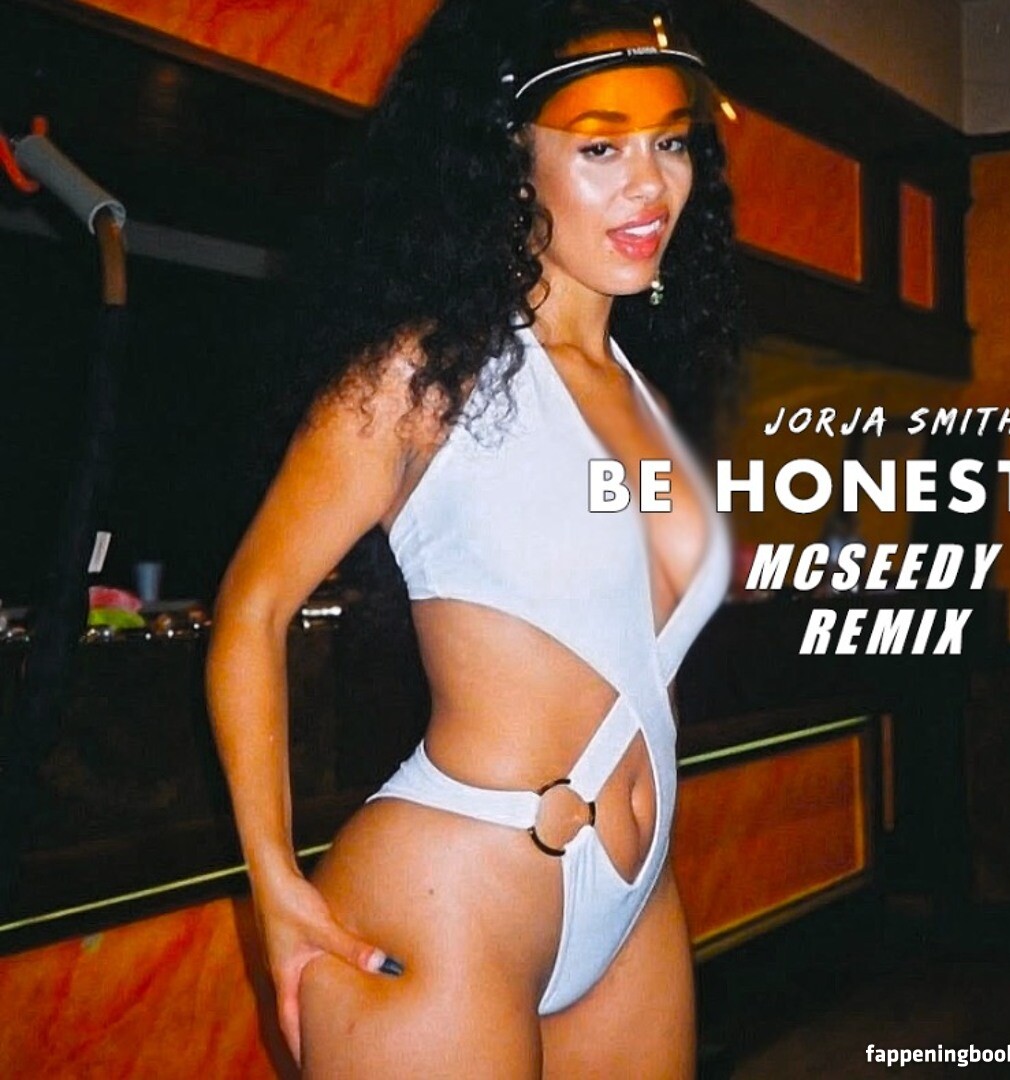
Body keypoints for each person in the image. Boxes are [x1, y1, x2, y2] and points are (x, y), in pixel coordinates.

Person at [206, 0, 740, 1074]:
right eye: (601, 147)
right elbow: (251, 613)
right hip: (453, 895)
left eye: (672, 142)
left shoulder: (643, 394)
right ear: (508, 166)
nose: (650, 185)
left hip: (634, 900)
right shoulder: (419, 378)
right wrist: (274, 884)